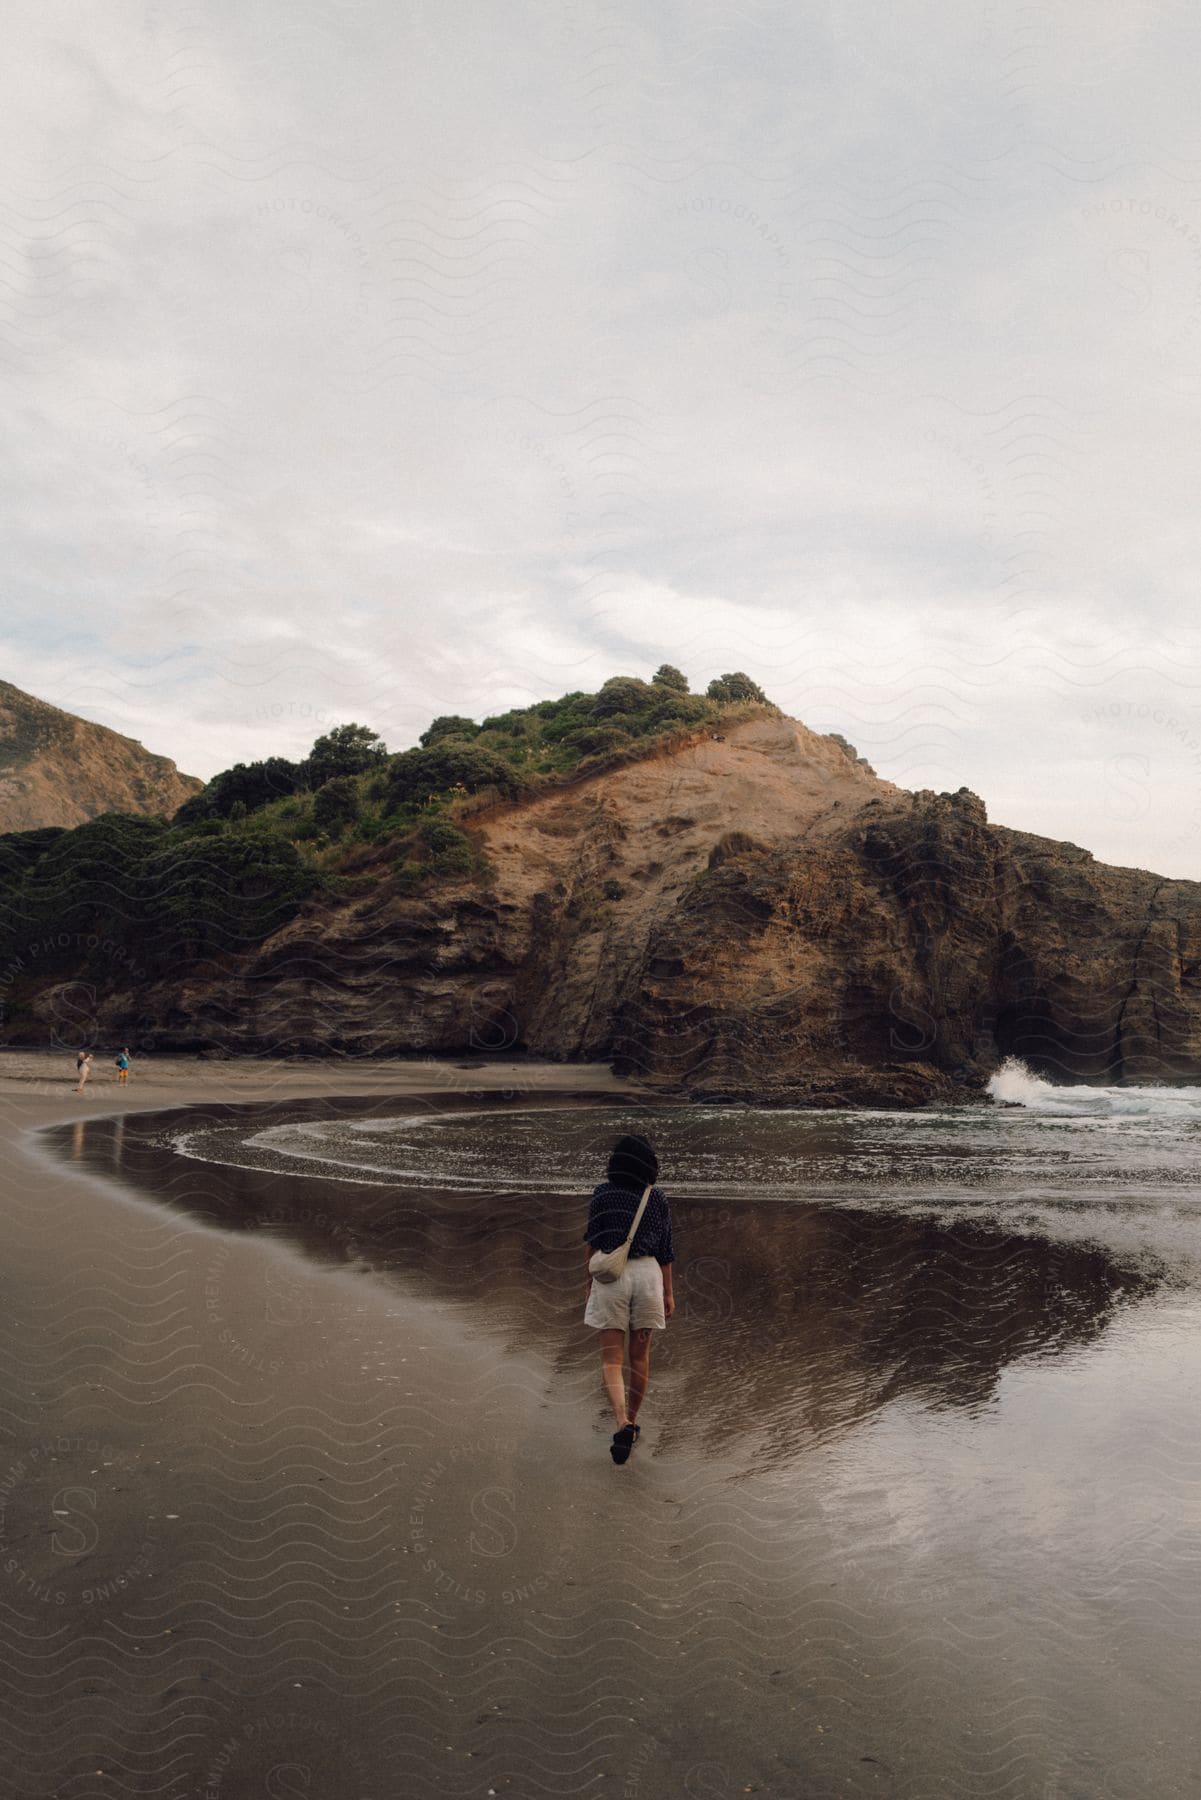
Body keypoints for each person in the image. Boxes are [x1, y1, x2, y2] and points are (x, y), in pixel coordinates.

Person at [583, 1133, 675, 1464]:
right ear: (649, 1164)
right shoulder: (658, 1198)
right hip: (649, 1278)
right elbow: (666, 1250)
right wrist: (668, 1292)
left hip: (612, 1278)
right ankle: (633, 1422)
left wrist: (587, 1282)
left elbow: (593, 1242)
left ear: (615, 1163)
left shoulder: (602, 1194)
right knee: (640, 1358)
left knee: (611, 1360)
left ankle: (620, 1420)